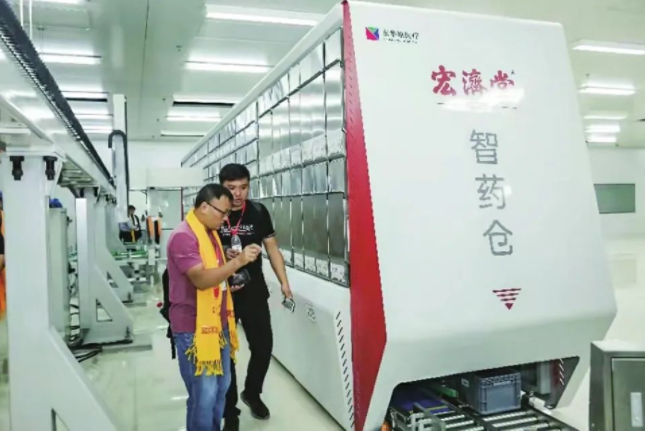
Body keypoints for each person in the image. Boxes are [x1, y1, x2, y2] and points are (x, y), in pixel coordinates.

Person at [167, 183, 263, 431]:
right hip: (194, 327)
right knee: (204, 395)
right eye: (222, 212)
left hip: (217, 324)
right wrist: (238, 262)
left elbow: (214, 274)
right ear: (204, 207)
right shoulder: (184, 237)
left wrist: (228, 270)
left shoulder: (209, 234)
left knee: (220, 388)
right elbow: (201, 280)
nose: (225, 218)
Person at [218, 164, 293, 429]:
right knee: (225, 351)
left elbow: (273, 250)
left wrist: (284, 282)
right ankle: (229, 410)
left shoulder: (258, 212)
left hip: (253, 290)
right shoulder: (214, 212)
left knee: (263, 346)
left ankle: (252, 392)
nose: (238, 194)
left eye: (243, 187)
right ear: (221, 187)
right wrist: (223, 254)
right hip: (222, 292)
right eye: (231, 188)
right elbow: (200, 252)